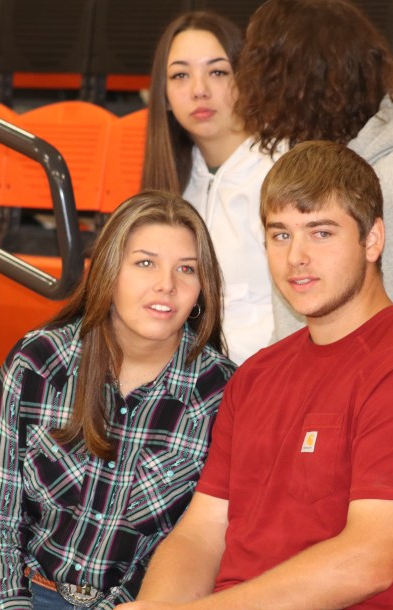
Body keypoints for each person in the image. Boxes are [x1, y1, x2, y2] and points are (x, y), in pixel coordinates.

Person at [0, 142, 393, 610]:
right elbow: (201, 533)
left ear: (373, 240)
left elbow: (366, 562)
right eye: (280, 234)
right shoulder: (258, 375)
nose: (297, 257)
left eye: (321, 233)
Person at [0, 190, 236, 610]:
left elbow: (192, 544)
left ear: (202, 288)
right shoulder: (40, 362)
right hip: (23, 595)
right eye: (145, 263)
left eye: (186, 269)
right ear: (109, 271)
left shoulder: (220, 392)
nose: (166, 285)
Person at [235, 0, 393, 366]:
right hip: (323, 384)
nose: (255, 88)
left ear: (301, 84)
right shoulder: (318, 168)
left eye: (267, 73)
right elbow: (293, 338)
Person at [143, 11, 278, 364]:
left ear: (246, 78)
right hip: (186, 373)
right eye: (180, 75)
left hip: (260, 374)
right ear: (164, 96)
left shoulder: (282, 170)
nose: (199, 90)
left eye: (217, 72)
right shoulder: (173, 182)